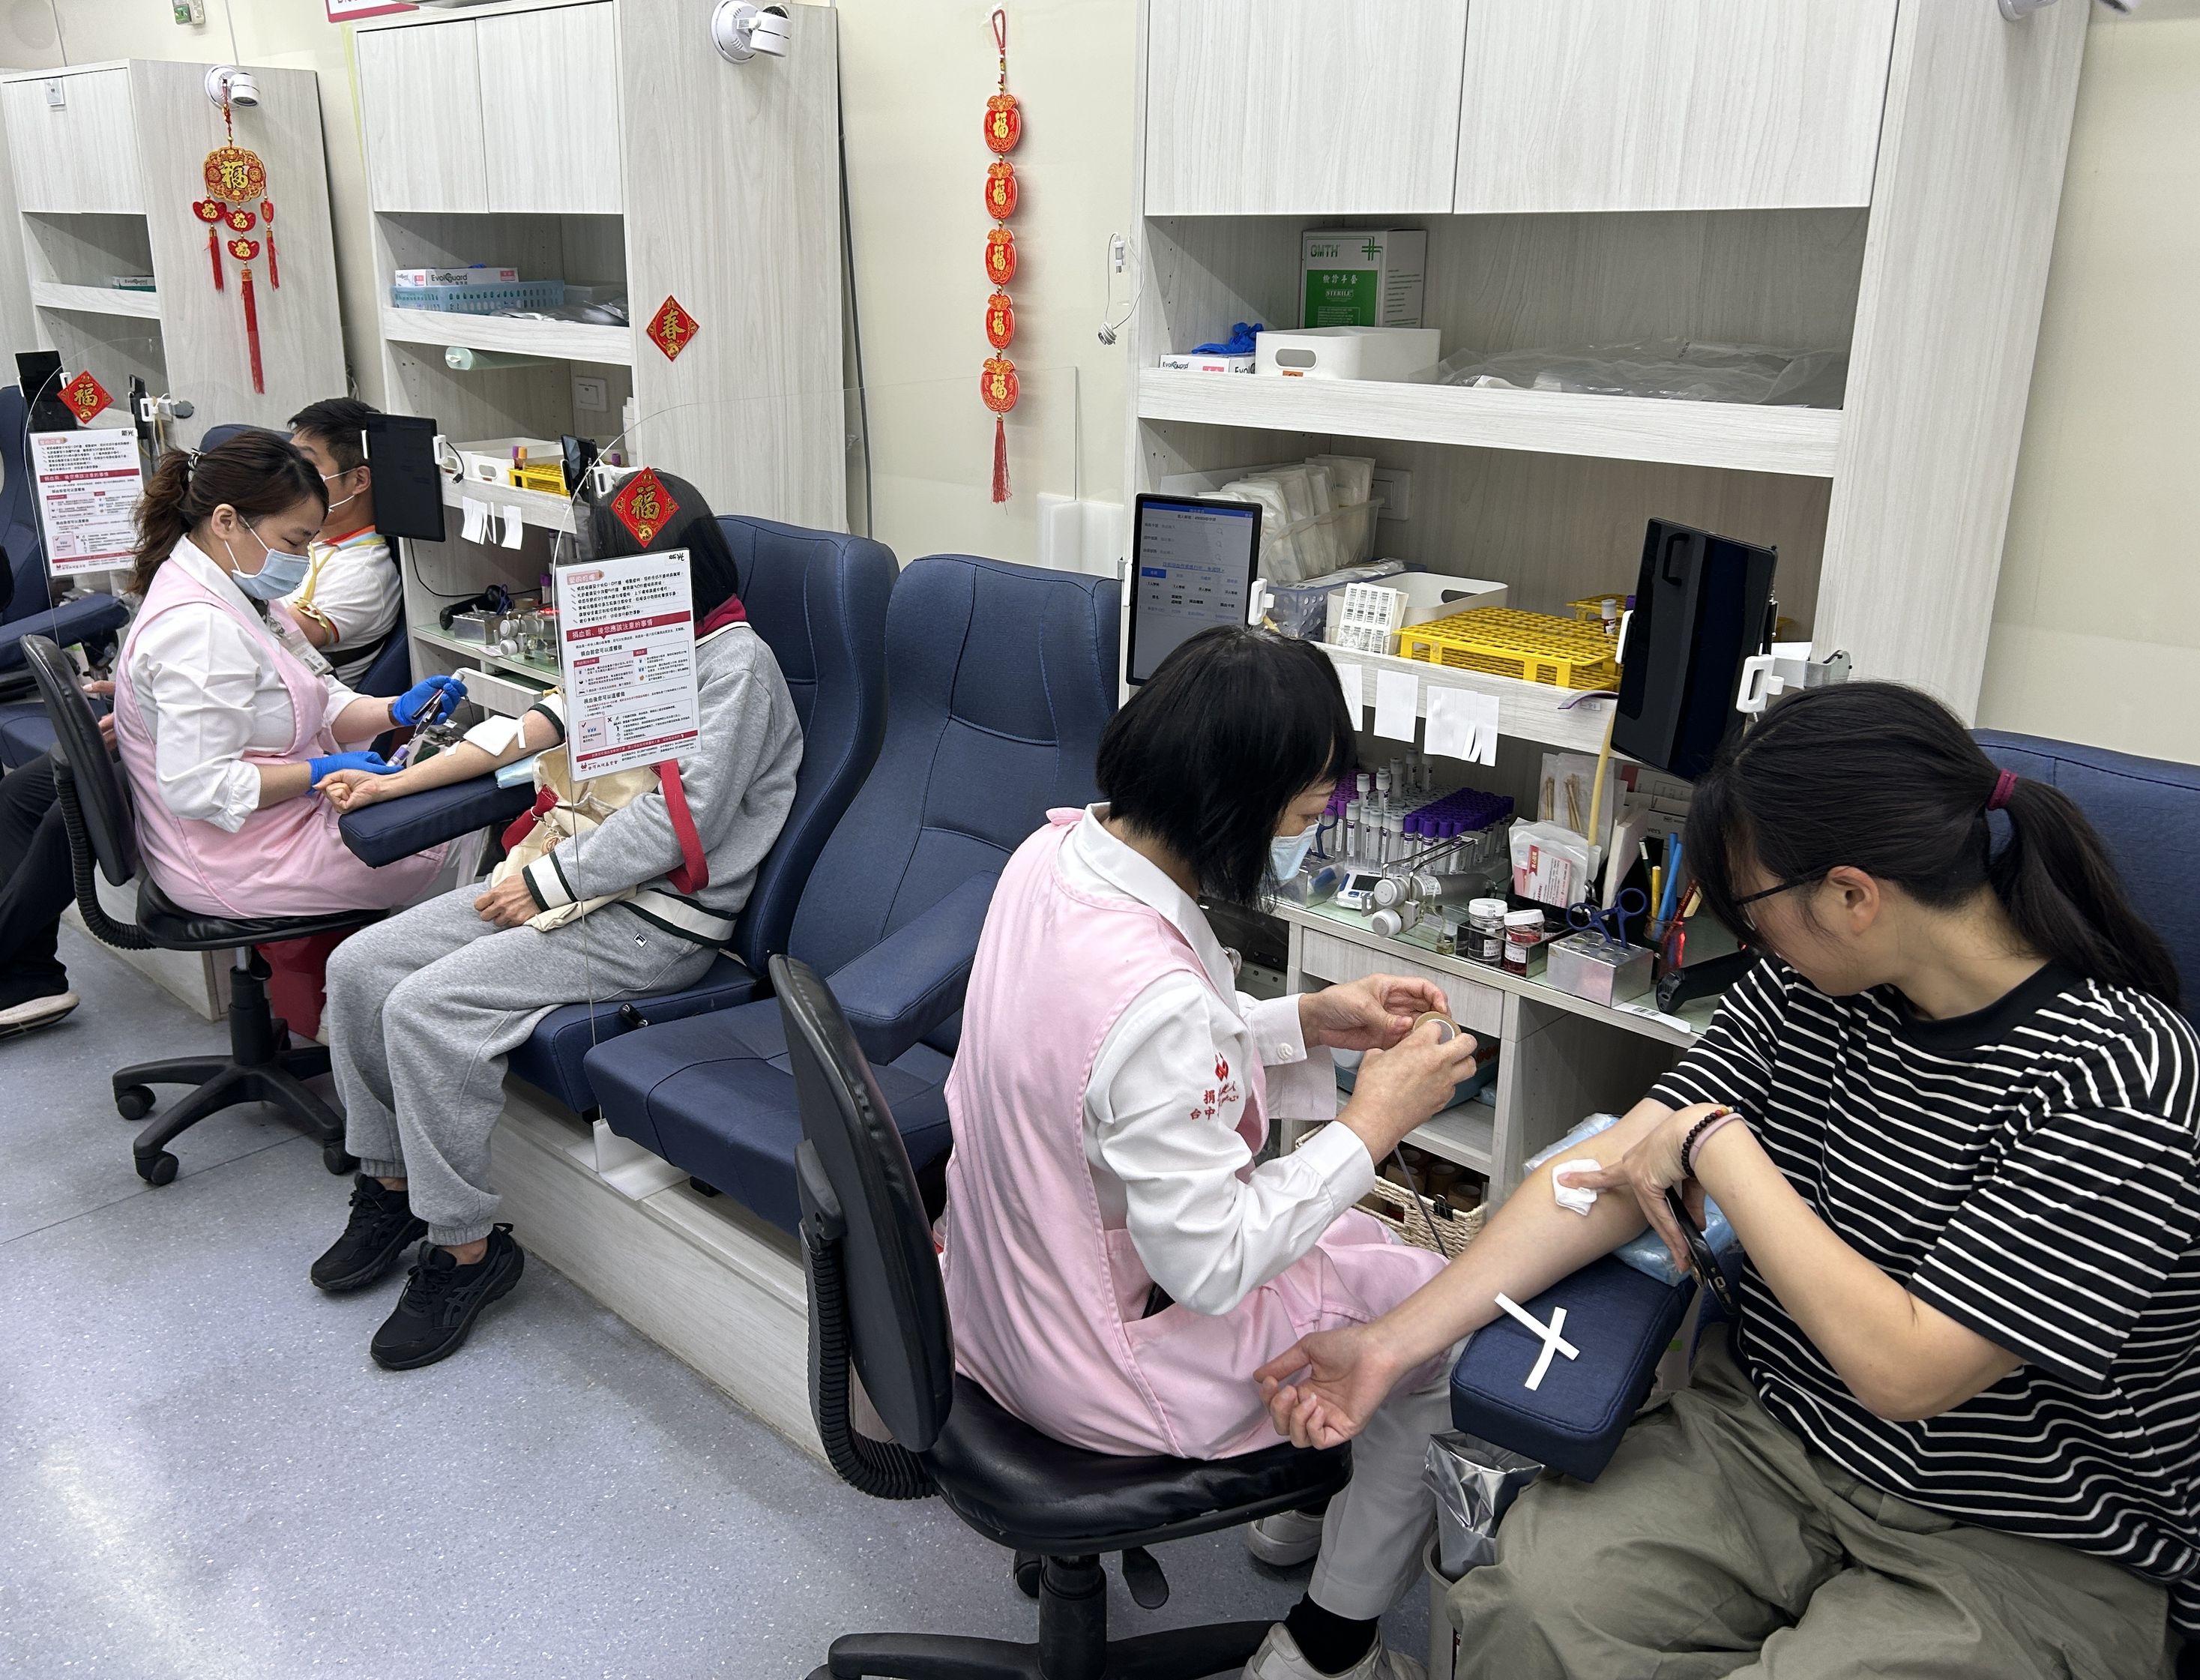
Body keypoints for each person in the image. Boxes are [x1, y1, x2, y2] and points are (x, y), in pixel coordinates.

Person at [1260, 681, 2199, 1680]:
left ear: (1851, 896)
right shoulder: (1810, 985)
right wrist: (1388, 1346)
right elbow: (1601, 1176)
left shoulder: (2120, 1076)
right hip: (1772, 1442)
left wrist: (1718, 1145)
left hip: (2024, 1536)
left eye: (1749, 913)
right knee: (1537, 1606)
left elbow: (1906, 1372)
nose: (1749, 944)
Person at [941, 625, 1485, 1680]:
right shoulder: (1155, 1003)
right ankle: (1326, 1648)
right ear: (1235, 807)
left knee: (1369, 1267)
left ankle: (1298, 1504)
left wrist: (1303, 1020)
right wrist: (1370, 1125)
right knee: (1437, 1326)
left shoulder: (1051, 856)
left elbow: (1106, 1071)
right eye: (1302, 814)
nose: (1308, 834)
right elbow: (1212, 1264)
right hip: (1095, 1369)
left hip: (993, 1297)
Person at [309, 480, 803, 1372]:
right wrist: (395, 782)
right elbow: (527, 730)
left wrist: (545, 883)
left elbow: (675, 823)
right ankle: (390, 1182)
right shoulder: (638, 637)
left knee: (424, 1010)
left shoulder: (737, 667)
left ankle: (465, 1247)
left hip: (656, 921)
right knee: (359, 967)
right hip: (564, 877)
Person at [112, 432, 462, 920]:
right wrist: (316, 773)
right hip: (239, 860)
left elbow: (315, 696)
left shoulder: (244, 593)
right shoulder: (199, 630)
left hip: (273, 828)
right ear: (226, 521)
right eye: (294, 541)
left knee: (453, 809)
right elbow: (198, 788)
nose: (301, 559)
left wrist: (396, 710)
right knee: (462, 832)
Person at [0, 680, 111, 1036]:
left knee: (65, 816)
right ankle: (31, 974)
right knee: (15, 793)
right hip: (144, 728)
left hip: (193, 751)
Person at [277, 397, 403, 687]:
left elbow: (270, 638)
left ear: (359, 480)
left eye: (307, 467)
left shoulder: (364, 573)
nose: (288, 477)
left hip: (305, 705)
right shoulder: (304, 538)